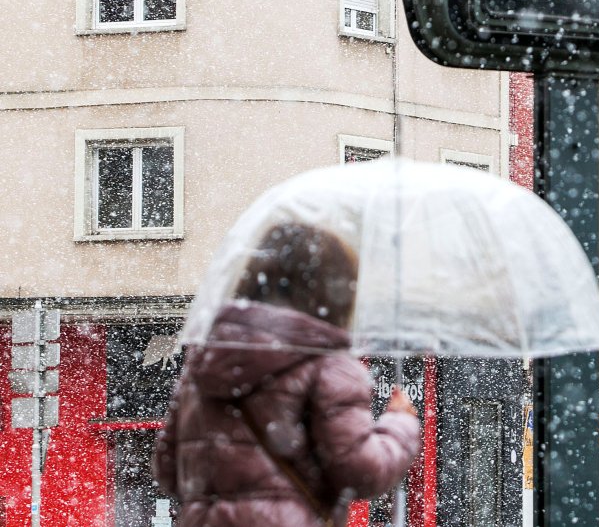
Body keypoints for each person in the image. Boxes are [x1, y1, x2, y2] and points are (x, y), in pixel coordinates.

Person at [153, 222, 420, 527]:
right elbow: (361, 474)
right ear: (332, 290)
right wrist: (400, 424)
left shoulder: (205, 361)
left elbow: (168, 471)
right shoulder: (327, 363)